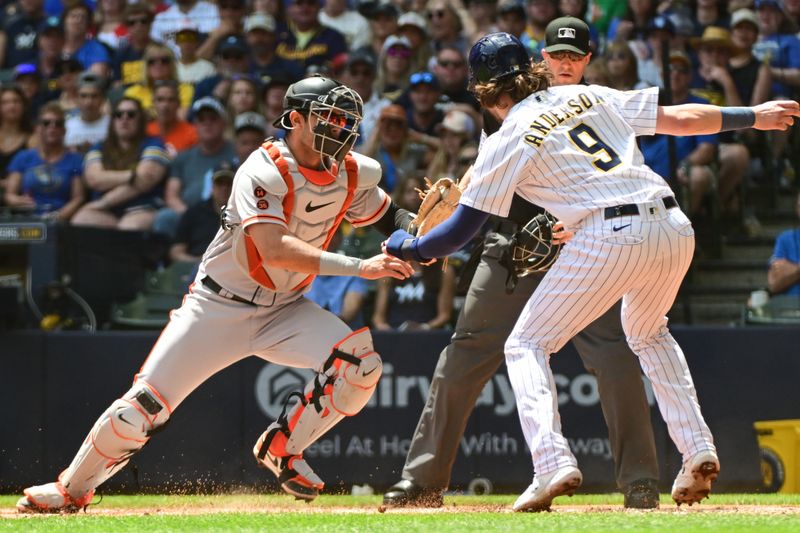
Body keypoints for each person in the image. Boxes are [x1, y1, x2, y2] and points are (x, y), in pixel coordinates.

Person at [384, 31, 799, 511]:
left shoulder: (507, 133)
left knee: (526, 344)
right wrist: (754, 116)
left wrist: (410, 246)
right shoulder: (584, 92)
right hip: (669, 221)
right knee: (648, 334)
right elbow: (680, 119)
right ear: (535, 68)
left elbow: (457, 234)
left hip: (602, 236)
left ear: (481, 90)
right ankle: (696, 449)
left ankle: (552, 464)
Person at [17, 75, 418, 513]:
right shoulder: (263, 169)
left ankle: (282, 447)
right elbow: (273, 249)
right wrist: (362, 267)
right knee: (140, 409)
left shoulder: (354, 171)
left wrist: (422, 234)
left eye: (345, 120)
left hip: (284, 309)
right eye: (328, 118)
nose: (339, 129)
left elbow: (387, 214)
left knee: (361, 365)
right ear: (296, 120)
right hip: (218, 305)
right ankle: (72, 490)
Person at [382, 17, 661, 511]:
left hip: (581, 245)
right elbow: (481, 178)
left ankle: (640, 482)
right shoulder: (494, 118)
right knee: (466, 353)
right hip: (510, 246)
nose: (502, 92)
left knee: (611, 353)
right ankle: (422, 481)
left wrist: (421, 245)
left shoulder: (557, 102)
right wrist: (457, 197)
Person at [71, 97, 169, 231]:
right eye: (119, 114)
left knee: (128, 228)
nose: (124, 118)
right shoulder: (99, 147)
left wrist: (102, 203)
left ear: (140, 120)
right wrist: (132, 176)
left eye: (131, 114)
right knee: (80, 220)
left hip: (143, 208)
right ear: (113, 120)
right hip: (106, 213)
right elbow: (95, 180)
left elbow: (145, 181)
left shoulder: (154, 144)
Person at [153, 96, 235, 237]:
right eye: (201, 120)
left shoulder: (236, 152)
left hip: (228, 216)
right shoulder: (182, 157)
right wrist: (192, 217)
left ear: (223, 123)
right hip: (189, 216)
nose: (207, 124)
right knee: (165, 217)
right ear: (194, 125)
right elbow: (172, 196)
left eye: (213, 118)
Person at [4, 102, 85, 221]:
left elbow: (78, 198)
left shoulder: (75, 159)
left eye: (58, 124)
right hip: (27, 219)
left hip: (61, 222)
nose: (52, 127)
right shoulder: (23, 157)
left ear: (64, 130)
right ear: (38, 128)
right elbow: (9, 195)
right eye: (46, 123)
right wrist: (17, 201)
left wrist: (56, 217)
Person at [168, 160, 235, 264]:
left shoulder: (244, 213)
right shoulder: (194, 213)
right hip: (196, 271)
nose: (224, 188)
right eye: (219, 183)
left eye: (229, 183)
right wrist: (198, 263)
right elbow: (176, 252)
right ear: (212, 186)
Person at [64, 72, 111, 153]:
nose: (89, 102)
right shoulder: (66, 127)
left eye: (94, 96)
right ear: (76, 99)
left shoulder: (113, 126)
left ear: (103, 99)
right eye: (83, 96)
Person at [768, 191, 800, 296]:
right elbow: (774, 284)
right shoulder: (785, 239)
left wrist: (792, 269)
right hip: (790, 309)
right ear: (797, 209)